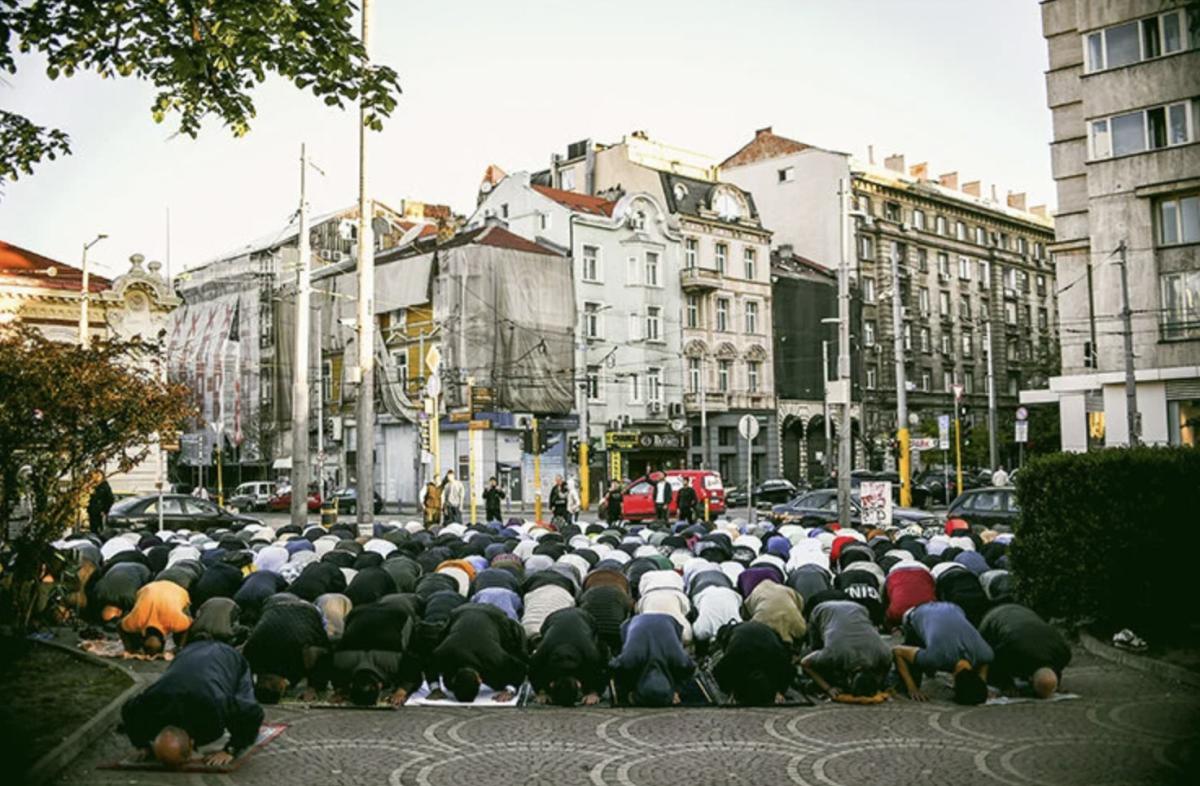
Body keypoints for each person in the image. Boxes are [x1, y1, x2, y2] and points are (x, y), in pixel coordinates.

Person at [120, 639, 263, 768]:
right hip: (190, 651)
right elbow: (128, 710)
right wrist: (142, 745)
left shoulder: (215, 705)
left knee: (244, 707)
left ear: (191, 744)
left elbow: (254, 713)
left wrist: (231, 750)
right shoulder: (152, 703)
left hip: (230, 659)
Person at [329, 594, 424, 706]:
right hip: (359, 613)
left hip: (398, 615)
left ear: (379, 685)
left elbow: (414, 664)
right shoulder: (341, 662)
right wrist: (339, 690)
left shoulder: (392, 662)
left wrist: (402, 691)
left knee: (412, 645)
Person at [893, 601, 993, 705]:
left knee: (929, 657)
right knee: (917, 669)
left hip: (951, 606)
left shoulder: (985, 654)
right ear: (954, 681)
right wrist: (912, 687)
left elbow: (984, 665)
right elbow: (897, 651)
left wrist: (981, 687)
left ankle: (927, 666)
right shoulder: (936, 657)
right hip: (913, 614)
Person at [428, 603, 530, 702]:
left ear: (480, 680)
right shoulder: (445, 652)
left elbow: (520, 666)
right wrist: (435, 688)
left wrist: (510, 690)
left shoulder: (493, 656)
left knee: (501, 679)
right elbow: (429, 661)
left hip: (495, 616)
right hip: (461, 612)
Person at [242, 594, 331, 703]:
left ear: (277, 687)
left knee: (317, 649)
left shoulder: (302, 653)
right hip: (273, 605)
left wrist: (314, 688)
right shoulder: (251, 653)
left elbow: (325, 654)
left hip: (306, 611)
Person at [800, 598, 892, 699]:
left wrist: (879, 682)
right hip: (822, 610)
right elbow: (805, 663)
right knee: (816, 653)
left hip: (858, 608)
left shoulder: (883, 654)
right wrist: (828, 688)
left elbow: (887, 666)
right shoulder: (834, 653)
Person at [978, 603, 1071, 699]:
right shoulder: (1012, 650)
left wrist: (1054, 685)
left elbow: (1057, 670)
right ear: (1031, 681)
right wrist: (1006, 685)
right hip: (993, 617)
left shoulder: (1062, 654)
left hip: (1022, 612)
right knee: (983, 656)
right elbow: (993, 660)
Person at [609, 612, 693, 707]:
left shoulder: (631, 658)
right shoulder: (676, 658)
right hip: (663, 622)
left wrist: (677, 690)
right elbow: (687, 666)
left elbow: (617, 666)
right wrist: (679, 690)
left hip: (662, 622)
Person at [529, 608, 607, 706]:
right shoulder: (544, 650)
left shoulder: (590, 653)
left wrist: (594, 692)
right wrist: (542, 692)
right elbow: (534, 669)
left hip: (586, 619)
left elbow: (600, 668)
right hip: (552, 620)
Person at [711, 621, 794, 705]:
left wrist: (730, 691)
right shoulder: (756, 629)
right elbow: (786, 666)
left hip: (743, 652)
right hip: (770, 652)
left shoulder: (734, 645)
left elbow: (720, 672)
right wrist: (780, 690)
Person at [120, 579, 193, 655]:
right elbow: (120, 626)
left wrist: (130, 649)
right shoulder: (137, 621)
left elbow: (190, 624)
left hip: (176, 590)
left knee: (183, 627)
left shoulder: (174, 621)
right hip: (150, 588)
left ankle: (180, 646)